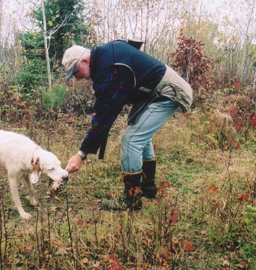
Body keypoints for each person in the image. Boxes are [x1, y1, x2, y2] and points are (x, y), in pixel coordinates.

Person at [62, 40, 193, 211]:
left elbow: (103, 116)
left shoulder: (110, 67)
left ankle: (131, 201)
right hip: (154, 92)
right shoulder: (105, 57)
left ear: (86, 61)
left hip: (167, 92)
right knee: (139, 134)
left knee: (131, 139)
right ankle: (148, 188)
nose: (77, 78)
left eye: (76, 72)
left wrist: (81, 154)